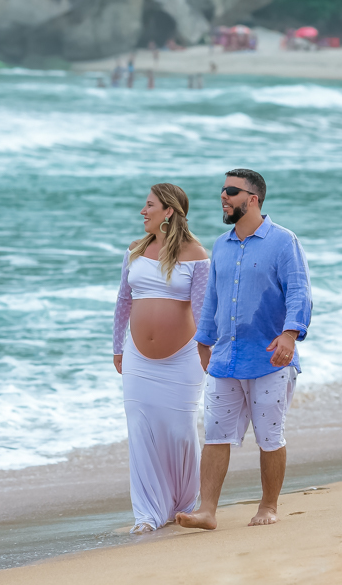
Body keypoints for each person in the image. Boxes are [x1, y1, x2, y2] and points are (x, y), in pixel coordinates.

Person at [177, 169, 312, 530]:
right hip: (225, 358)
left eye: (231, 191)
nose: (224, 197)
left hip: (270, 358)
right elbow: (212, 300)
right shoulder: (220, 245)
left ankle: (268, 506)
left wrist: (290, 334)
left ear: (252, 199)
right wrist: (203, 340)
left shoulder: (284, 241)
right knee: (216, 435)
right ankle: (207, 511)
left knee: (269, 436)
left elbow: (299, 291)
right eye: (222, 191)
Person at [113, 183, 210, 533]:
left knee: (180, 430)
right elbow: (123, 301)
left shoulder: (196, 254)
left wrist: (208, 350)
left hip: (183, 358)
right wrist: (117, 347)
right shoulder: (135, 251)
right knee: (139, 427)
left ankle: (183, 503)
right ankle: (147, 514)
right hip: (138, 357)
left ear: (168, 211)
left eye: (149, 205)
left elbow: (201, 309)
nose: (143, 211)